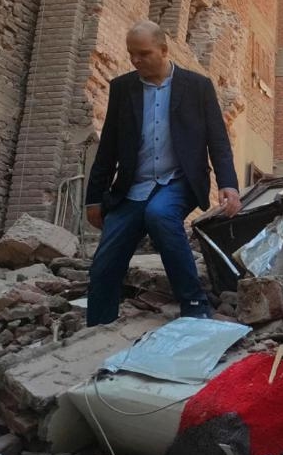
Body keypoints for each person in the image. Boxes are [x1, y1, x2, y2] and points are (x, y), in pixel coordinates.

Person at [84, 21, 242, 326]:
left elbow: (217, 140)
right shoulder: (123, 88)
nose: (136, 60)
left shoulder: (197, 87)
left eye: (144, 53)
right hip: (133, 187)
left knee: (160, 215)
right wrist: (94, 198)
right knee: (105, 258)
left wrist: (228, 185)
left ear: (164, 50)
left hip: (177, 181)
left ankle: (194, 306)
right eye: (132, 54)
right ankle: (98, 325)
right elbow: (109, 148)